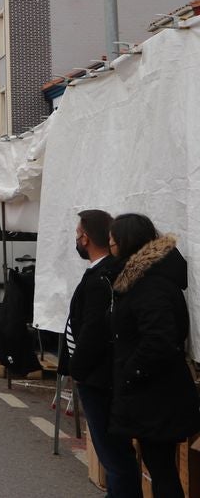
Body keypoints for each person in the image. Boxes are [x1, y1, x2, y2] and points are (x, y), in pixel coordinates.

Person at [108, 213, 200, 498]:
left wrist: (130, 373)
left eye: (112, 241)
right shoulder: (146, 278)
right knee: (159, 466)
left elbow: (159, 339)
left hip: (157, 393)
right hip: (155, 392)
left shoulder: (151, 284)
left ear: (127, 241)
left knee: (162, 469)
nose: (110, 245)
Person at [59, 209, 138, 498]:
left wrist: (77, 370)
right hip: (101, 375)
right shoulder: (107, 272)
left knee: (113, 454)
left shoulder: (101, 278)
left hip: (97, 378)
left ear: (87, 238)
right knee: (114, 453)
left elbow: (94, 331)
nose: (77, 240)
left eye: (78, 234)